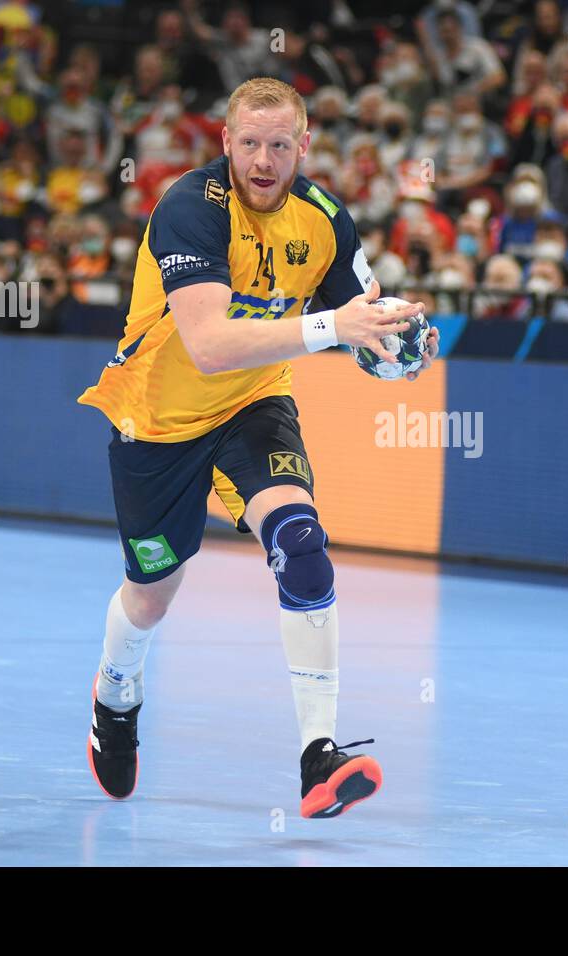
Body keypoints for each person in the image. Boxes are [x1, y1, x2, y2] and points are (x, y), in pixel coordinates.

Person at [76, 78, 439, 818]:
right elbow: (209, 346)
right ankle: (116, 695)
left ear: (304, 146)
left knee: (301, 544)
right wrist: (336, 328)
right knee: (150, 597)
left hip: (253, 400)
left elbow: (366, 313)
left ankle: (319, 758)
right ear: (226, 144)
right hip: (158, 417)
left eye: (281, 145)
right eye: (250, 143)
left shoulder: (327, 220)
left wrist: (400, 339)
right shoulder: (189, 208)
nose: (265, 160)